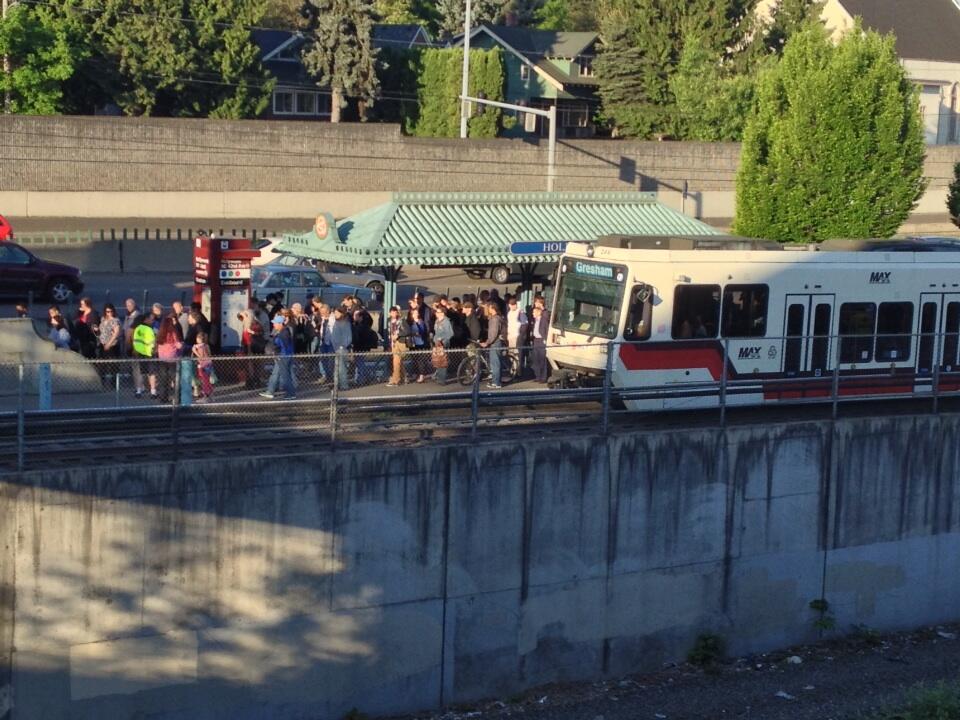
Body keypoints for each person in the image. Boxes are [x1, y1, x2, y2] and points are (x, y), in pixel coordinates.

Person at [260, 310, 295, 399]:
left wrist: (276, 350)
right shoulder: (283, 331)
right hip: (284, 355)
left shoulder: (283, 332)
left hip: (283, 356)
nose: (274, 325)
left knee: (285, 375)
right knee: (284, 375)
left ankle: (291, 394)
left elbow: (282, 345)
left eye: (275, 323)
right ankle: (275, 391)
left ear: (280, 324)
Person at [155, 315, 183, 402]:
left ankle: (163, 398)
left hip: (162, 359)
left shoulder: (160, 334)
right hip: (172, 359)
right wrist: (182, 344)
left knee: (163, 379)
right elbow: (178, 345)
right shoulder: (172, 333)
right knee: (175, 379)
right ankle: (177, 398)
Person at [131, 314, 157, 398]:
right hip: (149, 353)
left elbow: (135, 341)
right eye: (150, 319)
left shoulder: (137, 329)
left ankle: (139, 391)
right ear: (145, 320)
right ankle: (153, 392)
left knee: (141, 373)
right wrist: (154, 350)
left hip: (139, 353)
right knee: (151, 373)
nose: (151, 321)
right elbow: (153, 342)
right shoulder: (149, 329)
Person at [330, 305, 353, 391]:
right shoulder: (337, 323)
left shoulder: (345, 323)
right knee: (337, 368)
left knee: (341, 368)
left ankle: (344, 385)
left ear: (342, 313)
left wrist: (342, 345)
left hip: (341, 348)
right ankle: (337, 384)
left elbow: (348, 337)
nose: (335, 314)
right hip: (336, 348)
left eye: (337, 313)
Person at [480, 303, 504, 388]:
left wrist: (487, 342)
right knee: (496, 363)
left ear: (493, 309)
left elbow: (493, 333)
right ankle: (496, 381)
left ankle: (496, 383)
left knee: (495, 364)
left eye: (489, 308)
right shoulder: (496, 318)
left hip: (495, 343)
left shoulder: (495, 319)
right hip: (496, 342)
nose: (488, 309)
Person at [406, 305, 430, 383]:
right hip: (412, 343)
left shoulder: (420, 321)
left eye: (417, 313)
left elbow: (422, 331)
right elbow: (407, 332)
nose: (416, 314)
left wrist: (418, 326)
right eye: (414, 313)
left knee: (420, 360)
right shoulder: (410, 322)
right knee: (414, 359)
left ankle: (422, 375)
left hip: (420, 343)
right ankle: (415, 373)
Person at [506, 296, 528, 379]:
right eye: (511, 305)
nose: (513, 306)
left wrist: (521, 335)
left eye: (514, 304)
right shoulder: (509, 313)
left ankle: (517, 372)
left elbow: (525, 324)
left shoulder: (520, 312)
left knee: (517, 355)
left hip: (516, 336)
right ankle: (513, 370)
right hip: (510, 336)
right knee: (511, 354)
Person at [385, 305, 407, 387]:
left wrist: (398, 334)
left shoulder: (402, 320)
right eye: (392, 312)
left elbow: (407, 331)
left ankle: (395, 380)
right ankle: (404, 378)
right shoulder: (389, 321)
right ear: (390, 313)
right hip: (392, 343)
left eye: (395, 312)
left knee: (396, 361)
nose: (394, 314)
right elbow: (388, 332)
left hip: (400, 342)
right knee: (399, 362)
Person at [530, 301, 551, 384]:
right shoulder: (535, 320)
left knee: (542, 359)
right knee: (536, 359)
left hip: (542, 340)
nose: (532, 314)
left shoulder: (544, 320)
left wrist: (545, 340)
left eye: (534, 312)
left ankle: (543, 377)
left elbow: (547, 330)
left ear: (538, 312)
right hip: (536, 340)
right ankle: (537, 376)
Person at [432, 305, 453, 385]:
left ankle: (442, 379)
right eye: (436, 312)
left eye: (438, 312)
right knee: (437, 360)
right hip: (437, 343)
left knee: (443, 361)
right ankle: (439, 376)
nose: (436, 313)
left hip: (443, 343)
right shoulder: (437, 321)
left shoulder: (446, 322)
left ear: (442, 313)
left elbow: (450, 333)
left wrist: (441, 338)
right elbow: (436, 331)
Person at [192, 330, 214, 402]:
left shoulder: (200, 347)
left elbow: (201, 356)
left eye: (197, 338)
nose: (196, 339)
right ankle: (210, 395)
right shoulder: (207, 345)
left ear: (200, 339)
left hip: (203, 365)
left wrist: (195, 351)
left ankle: (206, 396)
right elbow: (209, 354)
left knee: (204, 381)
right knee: (207, 380)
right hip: (209, 364)